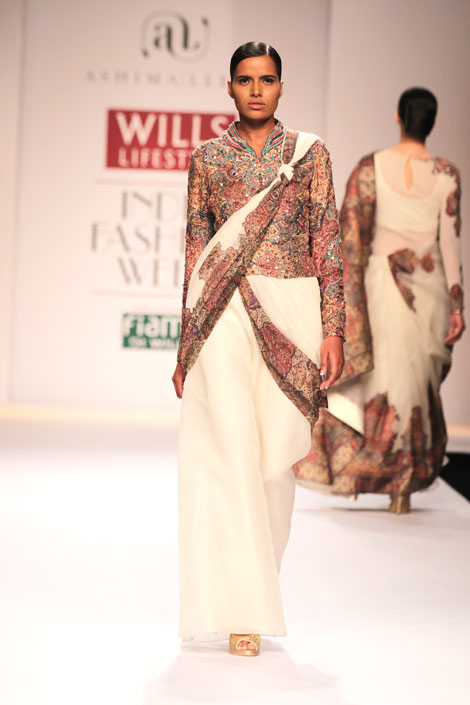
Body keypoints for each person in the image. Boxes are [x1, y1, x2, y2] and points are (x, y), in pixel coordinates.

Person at [172, 41, 345, 656]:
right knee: (229, 456)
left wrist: (333, 326)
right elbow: (195, 254)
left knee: (273, 466)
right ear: (229, 87)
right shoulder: (207, 159)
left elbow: (328, 242)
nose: (255, 90)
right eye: (244, 80)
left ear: (281, 87)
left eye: (266, 80)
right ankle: (243, 611)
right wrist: (185, 344)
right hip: (221, 313)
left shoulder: (309, 154)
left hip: (290, 313)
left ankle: (254, 586)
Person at [295, 87, 465, 514]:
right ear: (433, 122)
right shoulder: (447, 174)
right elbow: (450, 243)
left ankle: (367, 471)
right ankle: (402, 487)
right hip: (428, 291)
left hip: (376, 287)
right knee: (414, 386)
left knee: (382, 382)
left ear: (398, 117)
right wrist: (457, 304)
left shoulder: (370, 168)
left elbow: (348, 237)